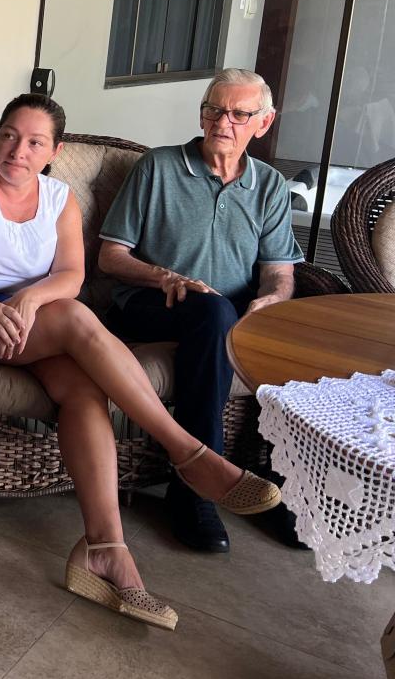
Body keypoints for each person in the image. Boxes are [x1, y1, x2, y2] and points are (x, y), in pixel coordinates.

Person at [0, 93, 282, 630]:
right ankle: (188, 451)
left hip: (33, 322)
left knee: (83, 393)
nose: (18, 151)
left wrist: (31, 297)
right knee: (75, 318)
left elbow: (71, 273)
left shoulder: (58, 198)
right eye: (9, 136)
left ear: (55, 151)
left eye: (35, 143)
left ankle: (105, 549)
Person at [99, 68, 304, 553]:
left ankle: (287, 490)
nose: (222, 122)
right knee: (213, 314)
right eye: (214, 110)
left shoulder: (270, 185)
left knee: (296, 333)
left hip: (228, 313)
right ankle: (193, 487)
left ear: (264, 123)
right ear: (202, 114)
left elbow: (279, 273)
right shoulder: (158, 167)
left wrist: (273, 300)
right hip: (152, 302)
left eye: (238, 114)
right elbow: (111, 256)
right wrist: (164, 276)